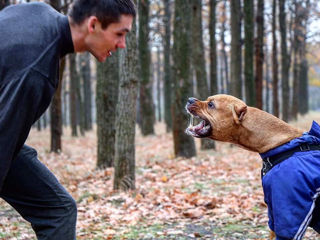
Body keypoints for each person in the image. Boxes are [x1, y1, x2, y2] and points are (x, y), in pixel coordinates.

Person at [0, 0, 136, 239]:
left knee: (58, 209)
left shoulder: (38, 12)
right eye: (119, 34)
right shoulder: (35, 72)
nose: (122, 44)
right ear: (93, 24)